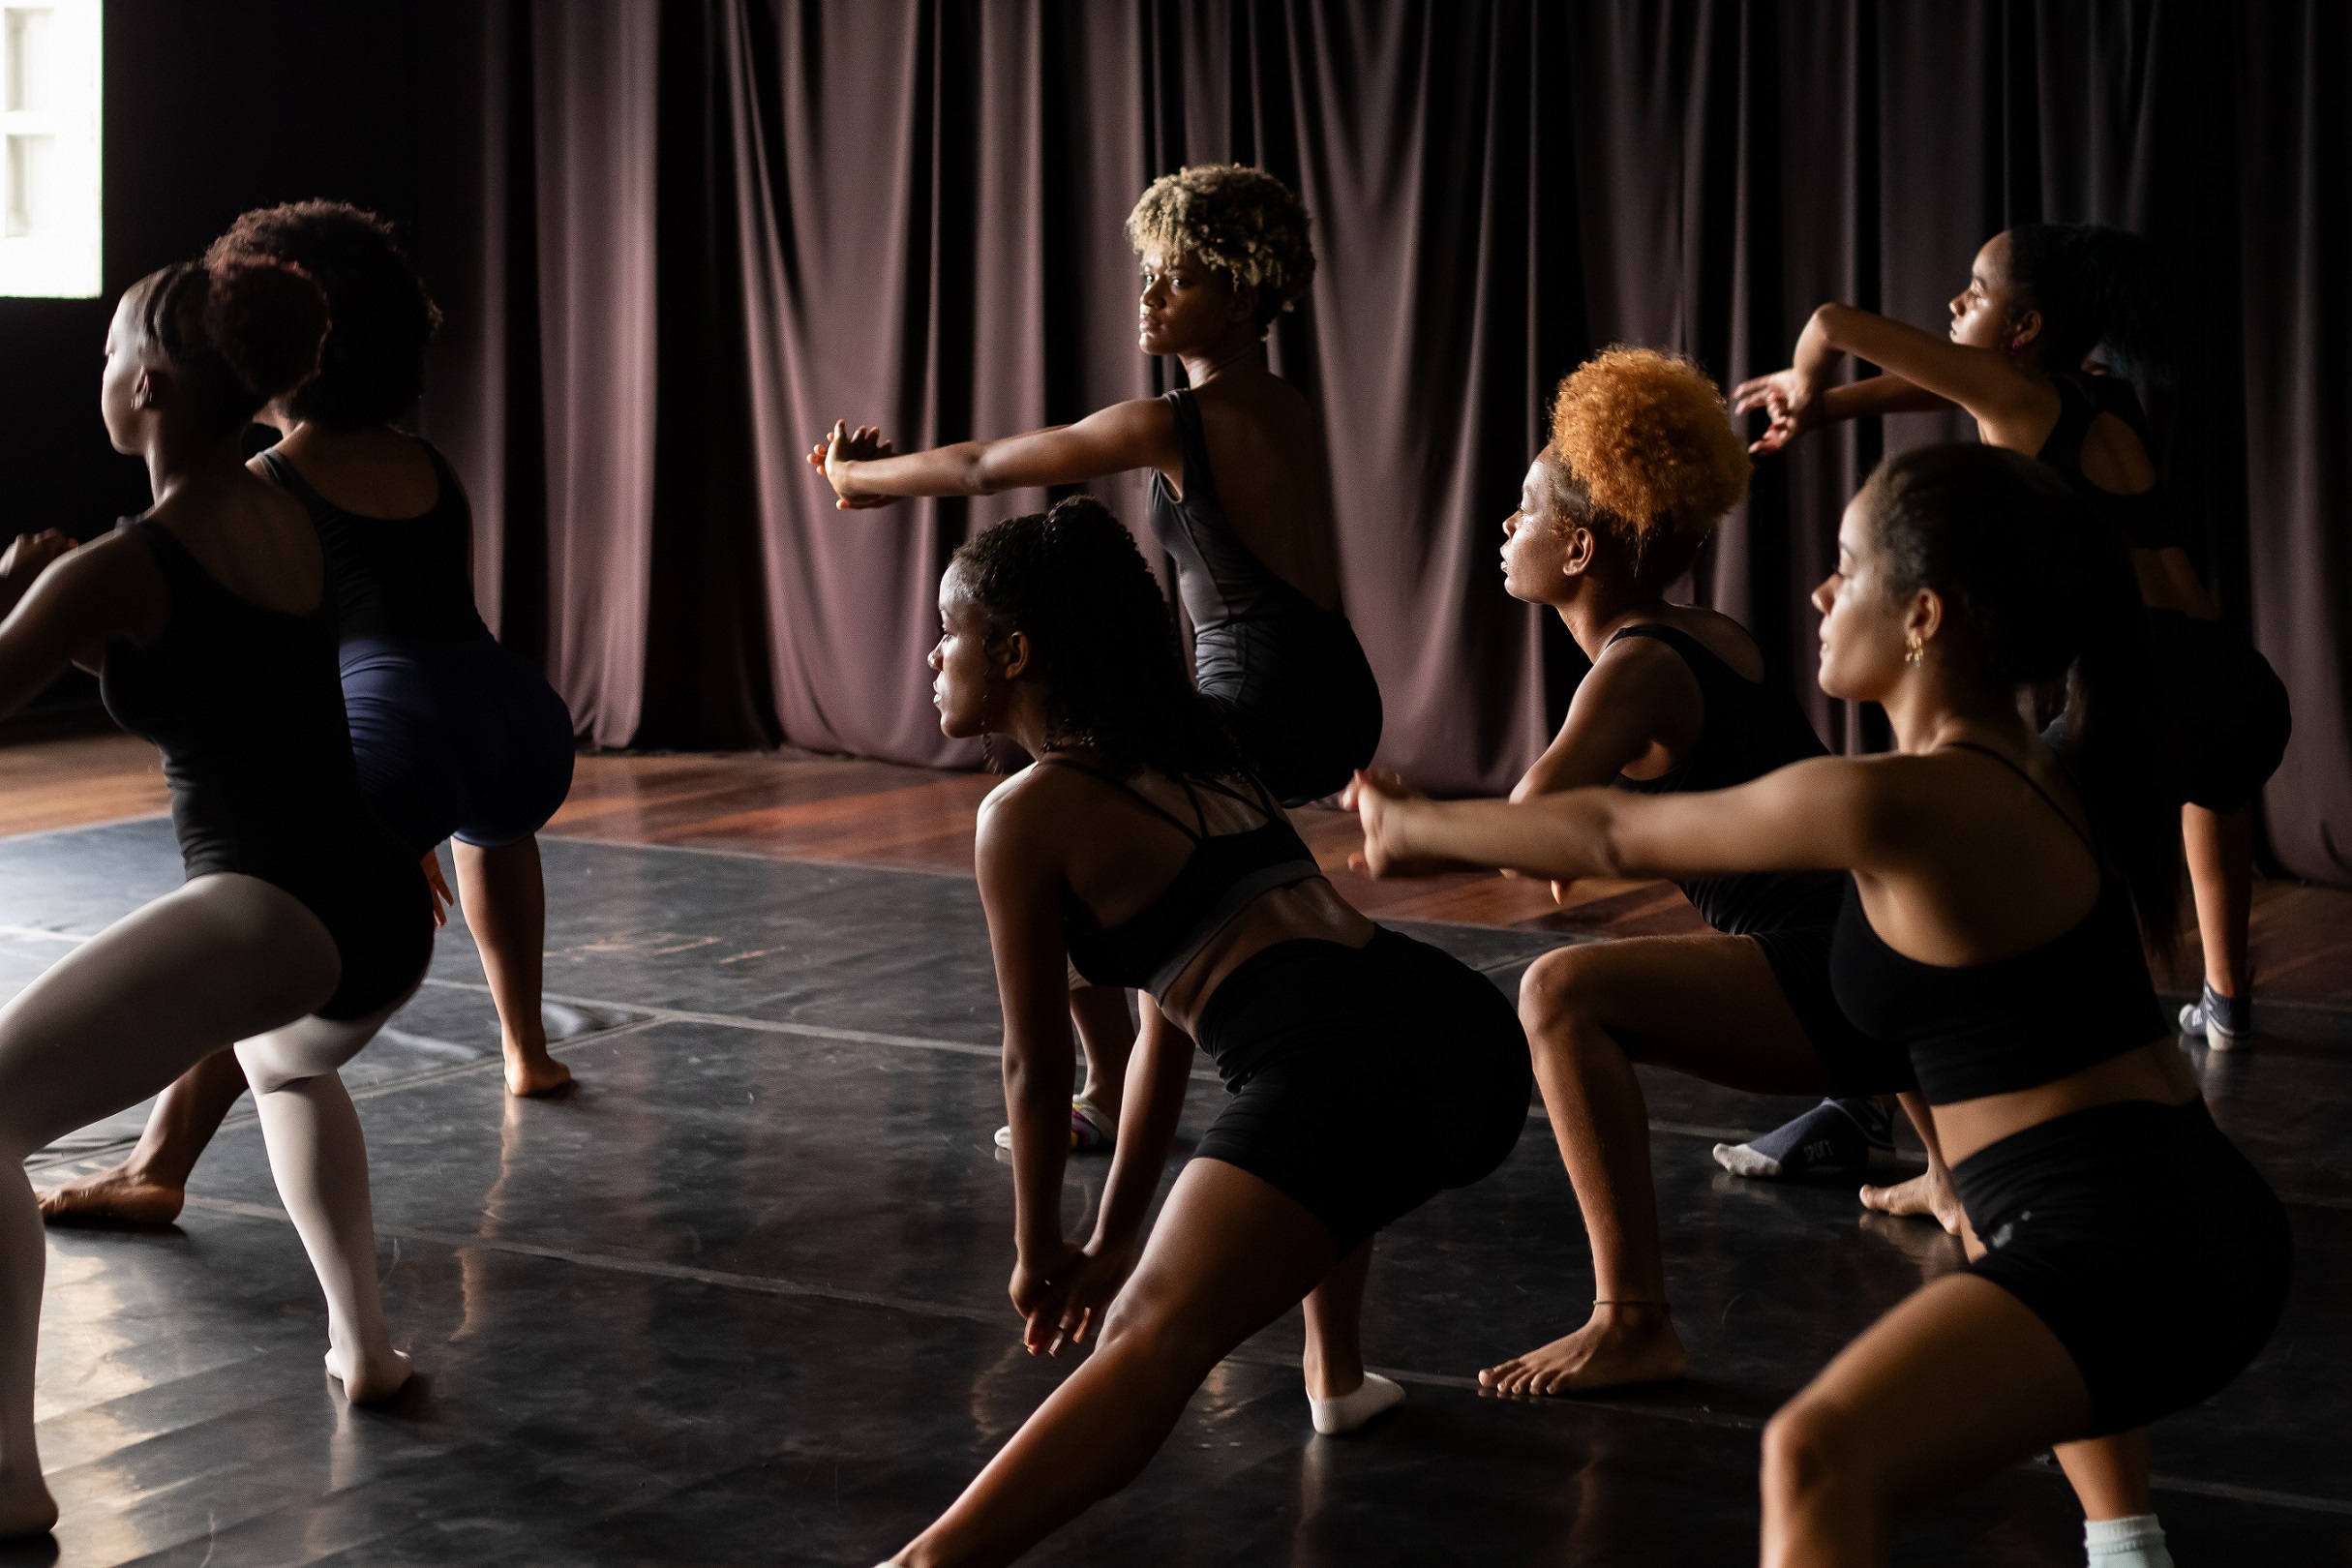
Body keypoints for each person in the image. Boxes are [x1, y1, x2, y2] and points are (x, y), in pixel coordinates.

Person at [1351, 443, 2290, 1568]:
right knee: (2010, 1308)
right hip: (2177, 1220)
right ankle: (2127, 1546)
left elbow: (1610, 830)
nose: (1818, 591)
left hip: (2128, 1239)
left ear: (1924, 618)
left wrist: (1416, 827)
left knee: (1814, 1456)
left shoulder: (1905, 802)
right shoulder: (2032, 768)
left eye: (1848, 566)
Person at [874, 497, 1523, 1568]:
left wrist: (1040, 1253)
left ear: (1016, 654)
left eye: (949, 630)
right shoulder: (1202, 740)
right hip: (1461, 1027)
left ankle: (926, 1563)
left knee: (1150, 1336)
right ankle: (1335, 1376)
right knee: (1315, 1152)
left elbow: (1036, 1067)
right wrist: (1110, 1238)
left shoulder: (1024, 815)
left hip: (1347, 1065)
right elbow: (1163, 1034)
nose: (934, 654)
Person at [1727, 223, 2291, 1226]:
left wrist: (1807, 377)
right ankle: (2227, 1001)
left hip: (2139, 697)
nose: (1954, 304)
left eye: (1975, 291)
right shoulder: (2092, 390)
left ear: (2024, 328)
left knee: (1974, 891)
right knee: (2207, 796)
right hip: (2236, 687)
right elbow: (1940, 384)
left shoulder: (2019, 398)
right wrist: (1828, 409)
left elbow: (1832, 321)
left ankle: (1873, 1110)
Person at [809, 165, 1381, 1154]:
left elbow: (986, 467)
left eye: (1177, 279)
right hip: (1338, 695)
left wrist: (865, 477)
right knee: (1115, 827)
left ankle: (1112, 1093)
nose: (1149, 296)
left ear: (1241, 295)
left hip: (1258, 711)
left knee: (1053, 831)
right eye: (1148, 274)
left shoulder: (1176, 423)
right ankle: (1135, 1078)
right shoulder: (1280, 402)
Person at [1, 256, 437, 1537]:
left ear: (145, 385)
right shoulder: (281, 503)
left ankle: (9, 1481)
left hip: (272, 908)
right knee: (284, 1068)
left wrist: (33, 599)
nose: (97, 374)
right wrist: (72, 608)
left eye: (107, 354)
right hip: (379, 904)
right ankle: (366, 1348)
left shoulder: (126, 561)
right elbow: (221, 668)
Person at [37, 202, 577, 1231]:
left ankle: (156, 1164)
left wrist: (371, 816)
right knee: (497, 829)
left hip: (394, 728)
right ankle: (528, 1050)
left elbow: (279, 681)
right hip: (518, 721)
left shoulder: (261, 483)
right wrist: (415, 806)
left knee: (265, 923)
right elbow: (446, 650)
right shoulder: (429, 465)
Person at [1475, 347, 1950, 1397]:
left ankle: (1632, 1319)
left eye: (1524, 511)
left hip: (1846, 988)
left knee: (1558, 994)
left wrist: (1478, 828)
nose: (1505, 526)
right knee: (1802, 913)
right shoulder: (1706, 634)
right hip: (1889, 956)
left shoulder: (1636, 667)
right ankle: (1953, 1178)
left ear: (1580, 547)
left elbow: (1523, 829)